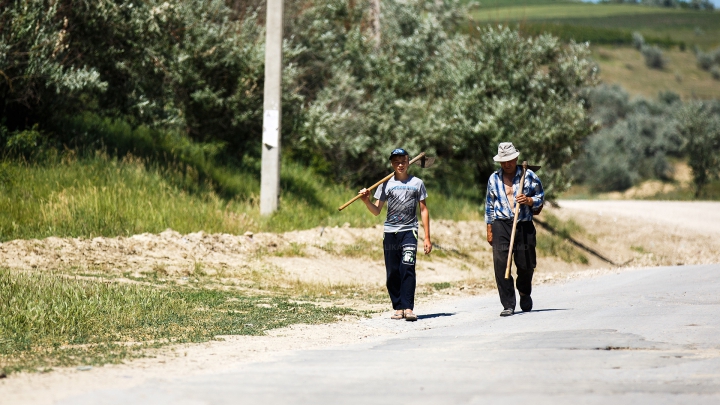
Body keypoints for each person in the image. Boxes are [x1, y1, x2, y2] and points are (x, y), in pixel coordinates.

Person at [358, 148, 432, 322]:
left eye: (403, 161)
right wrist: (366, 200)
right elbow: (376, 211)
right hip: (390, 232)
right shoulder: (386, 184)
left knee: (407, 267)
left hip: (409, 232)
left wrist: (427, 237)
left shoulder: (417, 183)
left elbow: (423, 209)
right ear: (392, 164)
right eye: (396, 162)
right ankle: (398, 307)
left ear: (408, 161)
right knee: (392, 272)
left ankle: (408, 307)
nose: (400, 164)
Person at [485, 142, 544, 317]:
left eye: (509, 160)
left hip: (523, 223)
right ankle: (508, 304)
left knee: (526, 264)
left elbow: (540, 197)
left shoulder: (529, 176)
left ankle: (525, 292)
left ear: (516, 158)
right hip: (501, 223)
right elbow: (489, 205)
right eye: (503, 161)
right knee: (501, 263)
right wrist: (489, 229)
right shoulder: (493, 178)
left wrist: (529, 200)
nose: (507, 164)